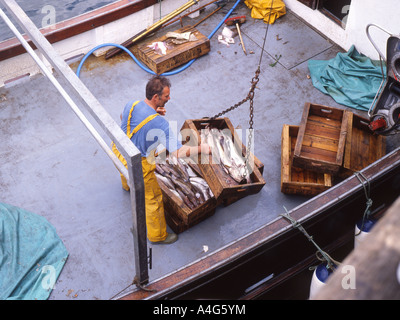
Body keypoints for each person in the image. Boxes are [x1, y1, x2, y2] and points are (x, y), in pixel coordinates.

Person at [112, 75, 210, 244]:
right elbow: (178, 152)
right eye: (166, 96)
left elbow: (124, 118)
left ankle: (127, 185)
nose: (169, 98)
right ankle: (158, 236)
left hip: (118, 150)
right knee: (153, 199)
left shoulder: (132, 104)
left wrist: (152, 112)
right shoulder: (161, 124)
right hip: (137, 165)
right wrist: (203, 149)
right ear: (156, 97)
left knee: (125, 170)